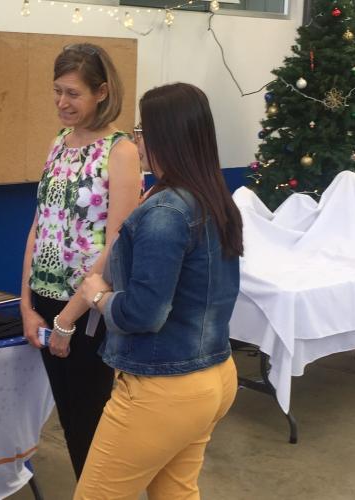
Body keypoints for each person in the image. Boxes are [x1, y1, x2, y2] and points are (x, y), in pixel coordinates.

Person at [72, 82, 243, 499]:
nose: (136, 140)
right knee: (176, 493)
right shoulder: (213, 199)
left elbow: (145, 313)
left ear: (165, 135)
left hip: (165, 388)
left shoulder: (166, 212)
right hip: (214, 376)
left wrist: (97, 294)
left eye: (141, 130)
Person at [20, 43, 142, 479]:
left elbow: (116, 245)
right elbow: (40, 224)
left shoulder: (120, 151)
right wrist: (26, 303)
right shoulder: (58, 142)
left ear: (102, 92)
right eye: (57, 91)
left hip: (86, 311)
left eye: (72, 93)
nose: (61, 103)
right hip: (46, 301)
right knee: (69, 421)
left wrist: (67, 320)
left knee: (90, 424)